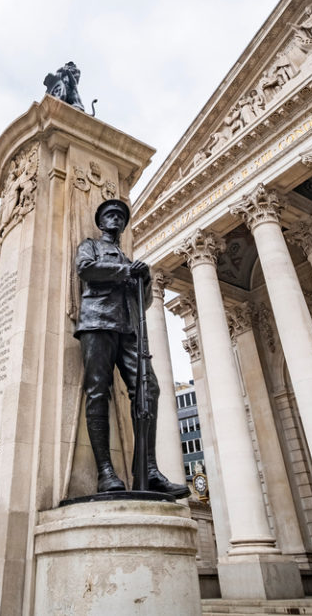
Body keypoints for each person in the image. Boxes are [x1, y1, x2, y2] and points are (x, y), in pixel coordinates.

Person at [74, 199, 189, 497]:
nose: (115, 221)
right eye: (110, 216)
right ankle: (106, 472)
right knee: (98, 391)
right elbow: (85, 270)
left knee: (149, 389)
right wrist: (126, 273)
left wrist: (145, 278)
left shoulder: (129, 259)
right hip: (97, 322)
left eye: (120, 218)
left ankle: (148, 469)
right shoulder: (91, 246)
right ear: (101, 223)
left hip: (128, 329)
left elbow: (145, 301)